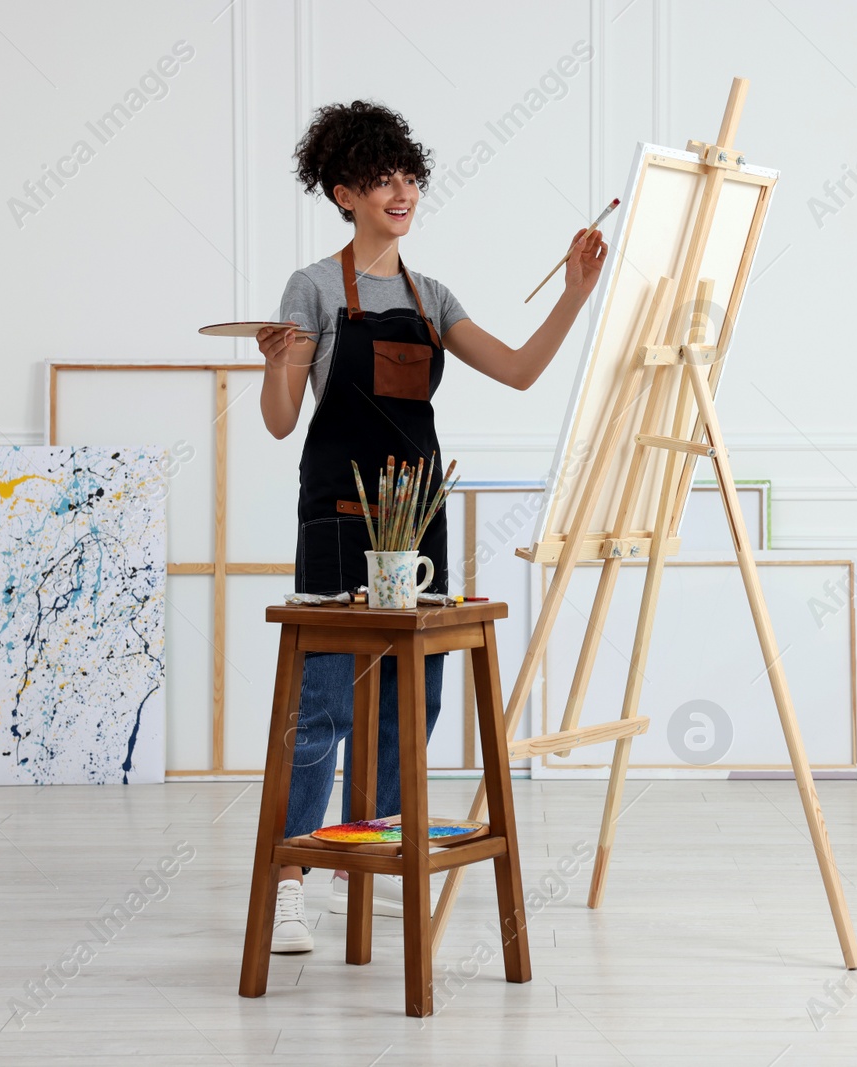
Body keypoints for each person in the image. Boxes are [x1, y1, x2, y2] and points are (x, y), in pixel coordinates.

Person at [256, 99, 606, 952]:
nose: (400, 191)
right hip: (338, 515)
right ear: (343, 192)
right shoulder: (311, 287)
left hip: (418, 525)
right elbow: (279, 419)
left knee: (413, 701)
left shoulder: (433, 293)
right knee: (323, 705)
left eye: (408, 176)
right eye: (380, 180)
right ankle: (292, 881)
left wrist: (575, 294)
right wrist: (274, 365)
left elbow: (520, 371)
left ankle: (363, 862)